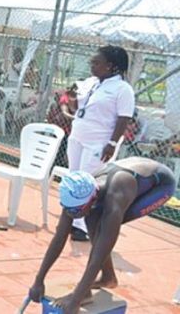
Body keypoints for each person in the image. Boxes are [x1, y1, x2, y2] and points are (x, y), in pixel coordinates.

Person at [28, 158, 176, 313]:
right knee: (92, 221)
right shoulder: (76, 194)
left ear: (91, 200)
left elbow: (101, 251)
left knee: (99, 227)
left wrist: (76, 298)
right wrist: (39, 280)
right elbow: (59, 239)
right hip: (123, 179)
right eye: (69, 210)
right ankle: (108, 277)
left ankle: (104, 279)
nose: (72, 215)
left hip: (160, 185)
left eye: (76, 211)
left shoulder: (117, 194)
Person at [67, 45, 136, 242]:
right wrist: (71, 97)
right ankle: (72, 219)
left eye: (96, 62)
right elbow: (77, 106)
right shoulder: (92, 83)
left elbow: (124, 118)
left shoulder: (123, 89)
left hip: (98, 143)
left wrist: (112, 143)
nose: (92, 65)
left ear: (111, 66)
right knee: (74, 178)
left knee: (87, 182)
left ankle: (83, 227)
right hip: (78, 137)